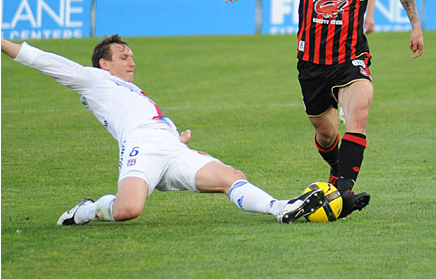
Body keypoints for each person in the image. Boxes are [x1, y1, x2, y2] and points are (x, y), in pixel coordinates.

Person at [223, 0, 424, 218]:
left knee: (359, 110)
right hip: (312, 64)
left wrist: (416, 27)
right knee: (326, 134)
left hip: (350, 58)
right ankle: (336, 169)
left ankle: (344, 192)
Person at [0, 36, 325, 225]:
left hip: (170, 149)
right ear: (104, 63)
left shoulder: (131, 89)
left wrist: (175, 138)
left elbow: (146, 117)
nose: (132, 62)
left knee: (230, 174)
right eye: (124, 57)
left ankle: (281, 208)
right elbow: (41, 59)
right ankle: (86, 211)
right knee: (128, 210)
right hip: (141, 148)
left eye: (132, 57)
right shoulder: (91, 79)